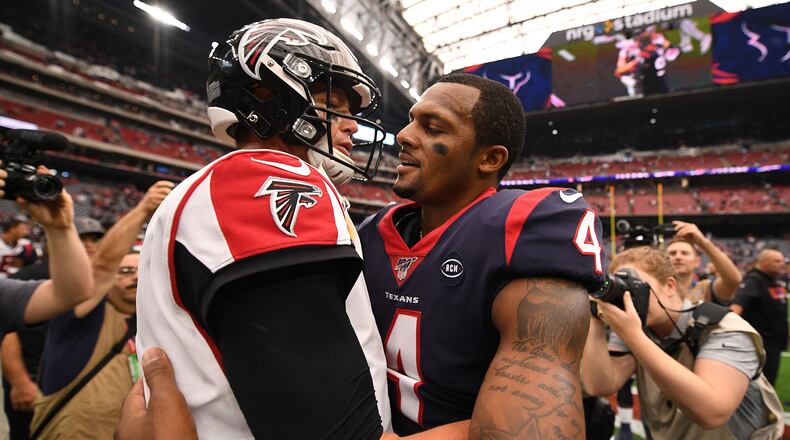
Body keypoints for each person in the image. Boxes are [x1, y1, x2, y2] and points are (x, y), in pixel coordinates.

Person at [135, 18, 390, 439]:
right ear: (268, 94)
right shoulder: (258, 178)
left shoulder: (219, 185)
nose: (351, 125)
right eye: (335, 103)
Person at [358, 73, 606, 437]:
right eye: (412, 120)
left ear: (489, 158)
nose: (405, 135)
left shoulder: (523, 229)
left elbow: (528, 429)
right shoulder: (371, 232)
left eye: (433, 127)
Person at [582, 246, 784, 440]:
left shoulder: (723, 328)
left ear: (670, 286)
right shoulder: (639, 328)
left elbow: (712, 412)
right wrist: (594, 317)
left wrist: (634, 337)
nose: (628, 299)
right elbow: (601, 384)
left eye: (634, 288)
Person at [27, 181, 172, 439]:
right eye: (126, 271)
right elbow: (103, 266)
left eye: (141, 271)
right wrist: (143, 210)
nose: (136, 278)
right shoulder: (81, 310)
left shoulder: (153, 322)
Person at [1, 215, 107, 440]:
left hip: (79, 380)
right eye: (82, 238)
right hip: (33, 378)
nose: (88, 245)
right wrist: (19, 381)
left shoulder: (109, 280)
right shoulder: (30, 275)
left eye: (94, 239)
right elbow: (9, 335)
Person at [731, 249, 788, 385]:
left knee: (768, 385)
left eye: (782, 260)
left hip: (775, 342)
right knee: (760, 388)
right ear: (763, 262)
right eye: (777, 261)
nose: (782, 264)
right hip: (761, 346)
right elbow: (736, 307)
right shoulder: (754, 280)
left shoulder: (773, 280)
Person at [666, 221, 742, 304]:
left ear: (697, 261)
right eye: (672, 253)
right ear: (665, 261)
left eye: (684, 253)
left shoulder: (705, 288)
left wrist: (702, 242)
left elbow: (733, 280)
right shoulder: (657, 290)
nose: (678, 257)